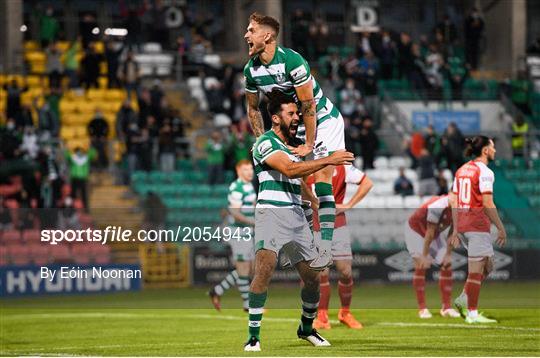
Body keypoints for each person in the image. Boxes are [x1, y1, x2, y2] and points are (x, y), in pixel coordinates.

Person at [244, 96, 354, 351]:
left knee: (313, 278)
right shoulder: (264, 143)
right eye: (291, 114)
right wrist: (328, 160)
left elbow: (298, 181)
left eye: (297, 113)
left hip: (295, 216)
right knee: (265, 269)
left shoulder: (293, 146)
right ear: (275, 117)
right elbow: (291, 171)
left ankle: (306, 329)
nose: (296, 118)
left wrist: (315, 204)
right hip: (270, 213)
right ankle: (253, 336)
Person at [243, 13, 347, 269]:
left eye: (251, 30)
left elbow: (308, 105)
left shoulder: (292, 61)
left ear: (267, 36)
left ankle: (325, 249)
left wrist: (310, 145)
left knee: (323, 173)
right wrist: (262, 142)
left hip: (323, 120)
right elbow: (253, 109)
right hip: (295, 125)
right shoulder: (251, 70)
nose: (246, 35)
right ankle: (299, 243)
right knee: (294, 183)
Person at [449, 136, 506, 324]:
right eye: (493, 147)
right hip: (476, 224)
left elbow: (454, 200)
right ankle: (472, 314)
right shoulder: (485, 172)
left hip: (465, 224)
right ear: (485, 151)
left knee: (488, 266)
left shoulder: (461, 170)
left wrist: (457, 228)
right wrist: (500, 227)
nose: (495, 150)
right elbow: (487, 202)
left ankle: (464, 297)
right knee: (476, 270)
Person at [308, 165, 373, 330]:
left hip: (338, 224)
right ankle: (322, 315)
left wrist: (349, 204)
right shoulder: (307, 166)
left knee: (345, 271)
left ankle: (345, 313)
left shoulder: (343, 167)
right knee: (322, 272)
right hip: (315, 225)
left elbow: (367, 183)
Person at [209, 160, 256, 312]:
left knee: (248, 269)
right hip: (238, 232)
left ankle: (217, 291)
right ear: (238, 171)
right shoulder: (236, 187)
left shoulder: (249, 186)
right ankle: (248, 304)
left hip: (247, 231)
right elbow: (234, 213)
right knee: (243, 267)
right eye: (246, 169)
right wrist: (252, 221)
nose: (250, 172)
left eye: (250, 169)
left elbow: (252, 206)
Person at [405, 195, 461, 319]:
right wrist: (424, 256)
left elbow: (453, 232)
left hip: (433, 234)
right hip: (415, 230)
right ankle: (422, 309)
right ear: (451, 193)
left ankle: (446, 308)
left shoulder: (460, 208)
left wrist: (448, 254)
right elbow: (429, 233)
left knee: (447, 264)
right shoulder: (437, 206)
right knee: (421, 264)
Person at [65, 146, 97, 212]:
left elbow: (93, 154)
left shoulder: (86, 157)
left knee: (84, 195)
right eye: (78, 151)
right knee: (72, 194)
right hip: (75, 178)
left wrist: (88, 147)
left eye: (80, 151)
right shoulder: (73, 157)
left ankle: (85, 209)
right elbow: (66, 155)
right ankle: (71, 209)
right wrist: (69, 149)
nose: (79, 152)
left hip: (83, 179)